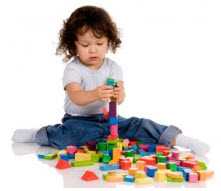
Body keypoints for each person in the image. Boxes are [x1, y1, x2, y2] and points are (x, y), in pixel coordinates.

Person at [12, 5, 209, 156]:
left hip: (110, 119)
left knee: (139, 124)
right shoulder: (73, 68)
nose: (93, 49)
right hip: (79, 120)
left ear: (109, 42)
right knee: (72, 136)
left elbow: (120, 97)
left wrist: (118, 95)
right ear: (73, 44)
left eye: (99, 43)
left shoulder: (113, 67)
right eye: (86, 44)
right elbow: (76, 96)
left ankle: (182, 139)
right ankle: (39, 134)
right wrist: (95, 94)